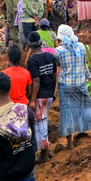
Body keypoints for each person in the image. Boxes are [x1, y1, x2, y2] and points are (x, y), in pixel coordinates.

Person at [54, 26, 91, 149]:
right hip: (80, 82)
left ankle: (70, 144)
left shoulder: (58, 51)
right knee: (88, 107)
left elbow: (58, 65)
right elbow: (84, 63)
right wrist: (87, 76)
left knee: (67, 113)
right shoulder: (81, 46)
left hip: (66, 85)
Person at [25, 33, 56, 162]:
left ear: (30, 45)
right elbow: (54, 76)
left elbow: (36, 81)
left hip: (39, 97)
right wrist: (53, 93)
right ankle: (46, 151)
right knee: (43, 121)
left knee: (40, 124)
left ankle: (43, 154)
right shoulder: (50, 56)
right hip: (49, 94)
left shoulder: (33, 61)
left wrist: (32, 100)